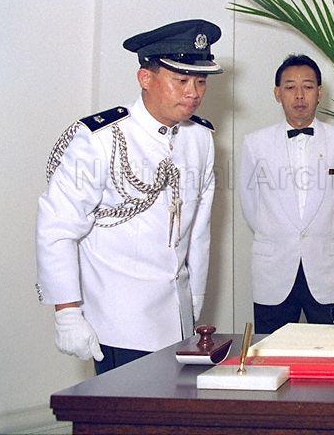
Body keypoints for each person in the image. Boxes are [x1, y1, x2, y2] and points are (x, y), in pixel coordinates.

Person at [36, 19, 223, 374]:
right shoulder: (100, 138)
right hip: (119, 322)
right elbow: (57, 227)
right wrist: (67, 312)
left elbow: (198, 228)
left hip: (178, 320)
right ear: (145, 78)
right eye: (181, 80)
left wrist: (194, 297)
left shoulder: (200, 138)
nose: (193, 93)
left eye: (201, 82)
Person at [239, 54, 334, 334]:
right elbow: (251, 206)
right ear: (277, 94)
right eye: (290, 87)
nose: (299, 95)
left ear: (319, 93)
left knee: (331, 348)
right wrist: (281, 232)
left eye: (307, 86)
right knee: (272, 349)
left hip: (328, 268)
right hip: (274, 270)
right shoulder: (255, 144)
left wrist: (322, 232)